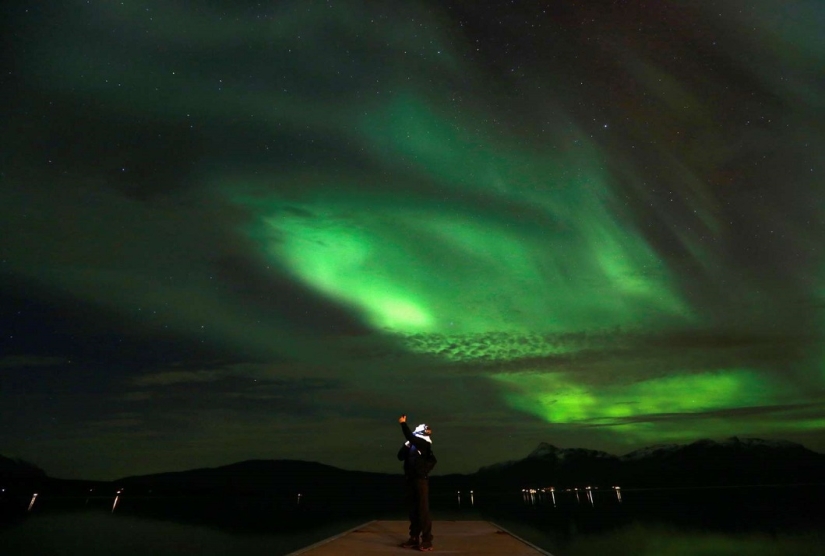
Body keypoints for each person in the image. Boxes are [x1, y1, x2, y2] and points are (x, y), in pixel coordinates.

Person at [397, 413, 436, 551]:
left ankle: (426, 540)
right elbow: (400, 456)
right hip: (410, 480)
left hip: (421, 481)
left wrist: (403, 423)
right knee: (413, 510)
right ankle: (414, 537)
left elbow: (410, 436)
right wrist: (407, 445)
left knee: (423, 510)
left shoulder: (423, 443)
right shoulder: (413, 444)